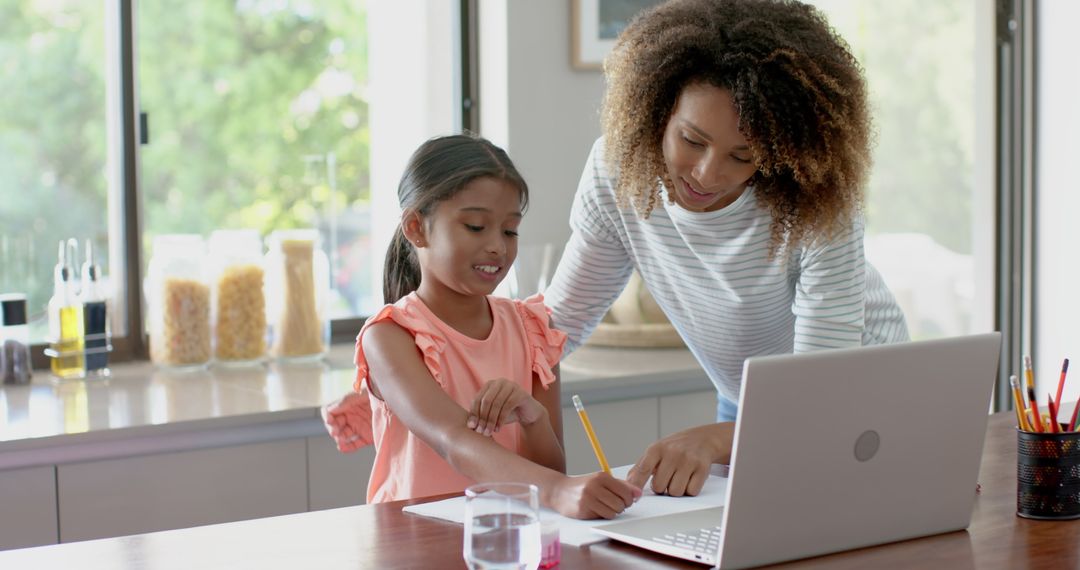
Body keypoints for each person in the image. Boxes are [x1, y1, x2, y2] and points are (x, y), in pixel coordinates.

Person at [543, 0, 910, 498]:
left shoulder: (815, 199)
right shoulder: (617, 171)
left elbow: (823, 387)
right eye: (691, 140)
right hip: (746, 403)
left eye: (743, 156)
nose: (707, 175)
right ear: (658, 110)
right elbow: (557, 324)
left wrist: (715, 440)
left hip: (861, 400)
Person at [321, 134, 641, 519]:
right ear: (416, 228)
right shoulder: (390, 336)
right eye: (475, 227)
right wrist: (558, 491)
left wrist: (531, 415)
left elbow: (551, 471)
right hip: (413, 543)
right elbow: (452, 438)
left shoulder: (532, 329)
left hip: (509, 540)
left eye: (509, 231)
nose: (497, 247)